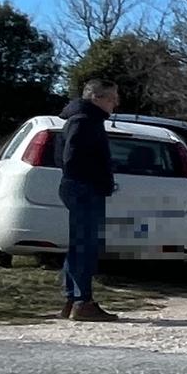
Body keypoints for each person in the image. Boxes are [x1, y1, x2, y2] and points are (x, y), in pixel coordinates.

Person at [57, 75, 121, 323]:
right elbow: (70, 157)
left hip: (80, 186)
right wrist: (93, 179)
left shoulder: (85, 119)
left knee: (78, 245)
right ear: (96, 97)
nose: (115, 104)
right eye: (111, 98)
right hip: (83, 188)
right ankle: (83, 300)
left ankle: (73, 299)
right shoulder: (84, 121)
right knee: (85, 246)